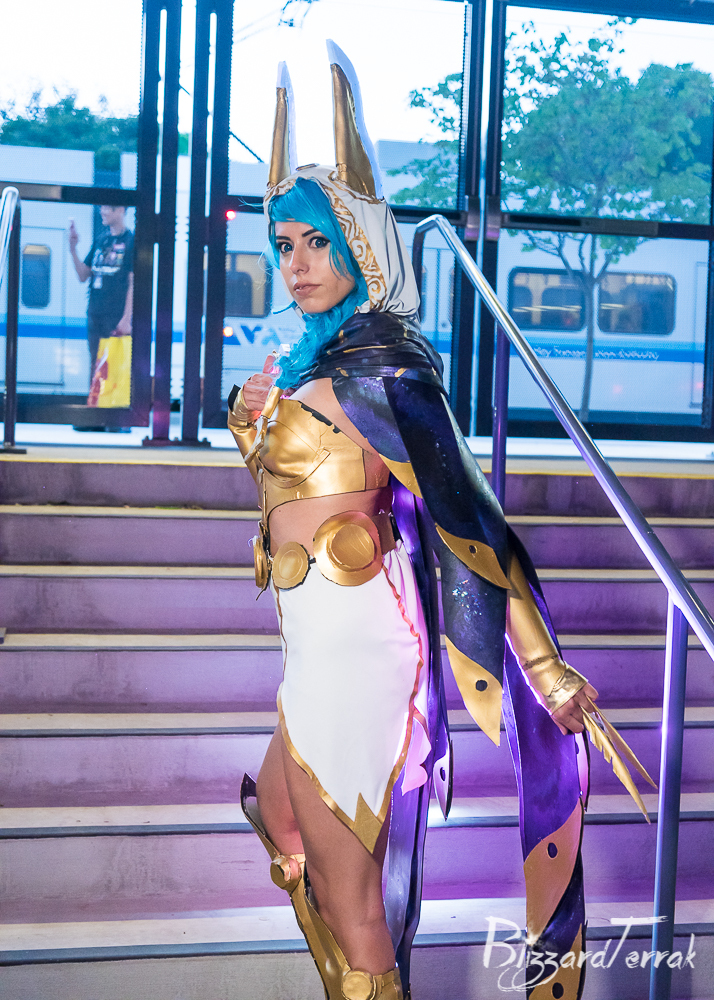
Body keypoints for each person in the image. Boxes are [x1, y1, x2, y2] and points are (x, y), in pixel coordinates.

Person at [228, 45, 653, 1000]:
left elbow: (469, 522)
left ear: (362, 246)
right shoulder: (315, 366)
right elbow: (295, 485)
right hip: (313, 649)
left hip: (358, 652)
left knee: (352, 907)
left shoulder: (387, 369)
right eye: (283, 246)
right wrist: (251, 421)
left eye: (316, 243)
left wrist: (540, 664)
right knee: (285, 828)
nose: (296, 265)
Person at [68, 205, 134, 385]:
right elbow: (83, 275)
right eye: (102, 207)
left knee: (114, 370)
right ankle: (95, 402)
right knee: (95, 368)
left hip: (116, 318)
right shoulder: (101, 240)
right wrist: (73, 248)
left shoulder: (130, 241)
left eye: (107, 208)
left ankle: (112, 404)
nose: (102, 211)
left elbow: (132, 283)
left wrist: (127, 318)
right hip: (95, 315)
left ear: (121, 210)